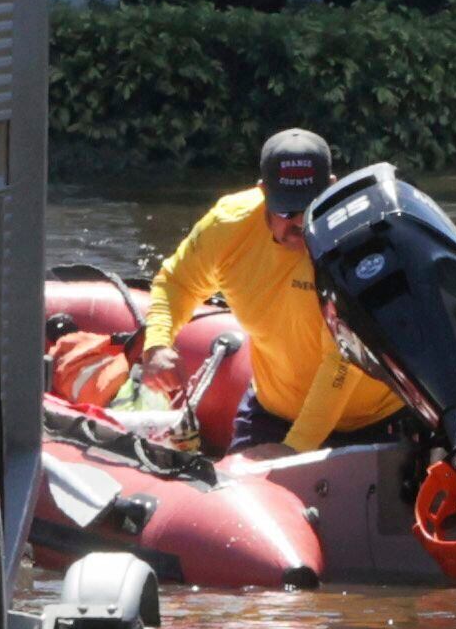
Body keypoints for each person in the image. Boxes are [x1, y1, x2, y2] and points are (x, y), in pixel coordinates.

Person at [138, 128, 408, 456]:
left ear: (332, 189)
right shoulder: (228, 225)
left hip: (375, 417)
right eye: (284, 210)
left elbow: (343, 357)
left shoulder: (355, 239)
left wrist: (295, 449)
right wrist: (157, 344)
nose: (297, 223)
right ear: (263, 191)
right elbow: (176, 282)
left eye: (308, 209)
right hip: (273, 412)